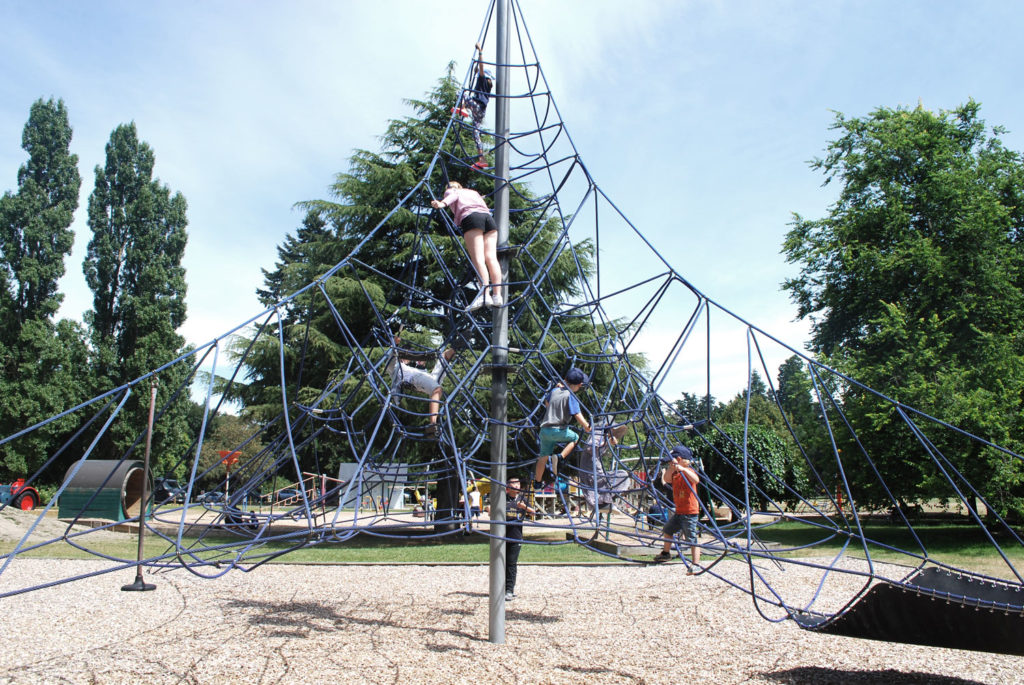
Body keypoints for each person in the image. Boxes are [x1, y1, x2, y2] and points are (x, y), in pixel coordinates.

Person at [431, 181, 503, 311]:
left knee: (478, 259)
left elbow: (452, 195)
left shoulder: (452, 191)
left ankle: (485, 294)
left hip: (471, 218)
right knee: (491, 258)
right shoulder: (473, 192)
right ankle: (497, 295)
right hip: (489, 220)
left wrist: (442, 203)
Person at [532, 368, 591, 491]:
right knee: (575, 438)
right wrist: (586, 426)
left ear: (565, 379)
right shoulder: (571, 395)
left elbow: (547, 404)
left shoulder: (554, 391)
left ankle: (537, 483)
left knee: (543, 457)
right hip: (559, 430)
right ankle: (559, 457)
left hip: (545, 431)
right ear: (579, 385)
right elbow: (577, 414)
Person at [386, 339, 457, 437]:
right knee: (437, 390)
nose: (408, 358)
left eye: (409, 356)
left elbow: (426, 375)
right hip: (413, 379)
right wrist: (395, 343)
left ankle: (455, 348)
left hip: (425, 377)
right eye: (406, 355)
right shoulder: (396, 366)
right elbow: (391, 357)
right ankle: (432, 424)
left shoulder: (411, 367)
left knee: (444, 357)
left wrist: (422, 364)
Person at [653, 445, 702, 573]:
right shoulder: (675, 473)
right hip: (679, 511)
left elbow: (696, 480)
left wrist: (682, 468)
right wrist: (671, 467)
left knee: (691, 538)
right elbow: (667, 479)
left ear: (679, 459)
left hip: (690, 512)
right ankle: (665, 553)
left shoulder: (689, 471)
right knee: (668, 529)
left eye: (671, 460)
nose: (670, 463)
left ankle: (696, 563)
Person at [453, 42, 494, 169]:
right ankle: (481, 159)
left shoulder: (482, 79)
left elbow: (481, 67)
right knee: (475, 132)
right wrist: (476, 66)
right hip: (481, 111)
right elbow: (478, 69)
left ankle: (463, 108)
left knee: (461, 93)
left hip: (476, 106)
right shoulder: (487, 85)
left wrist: (480, 51)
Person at [504, 477, 539, 601]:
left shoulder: (521, 499)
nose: (517, 485)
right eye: (514, 483)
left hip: (515, 537)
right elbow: (490, 510)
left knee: (511, 564)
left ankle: (509, 590)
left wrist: (524, 507)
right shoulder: (503, 499)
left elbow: (534, 512)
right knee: (501, 563)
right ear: (508, 486)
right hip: (501, 537)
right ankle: (500, 588)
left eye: (518, 483)